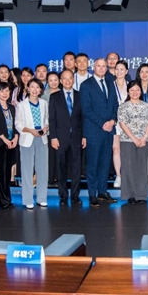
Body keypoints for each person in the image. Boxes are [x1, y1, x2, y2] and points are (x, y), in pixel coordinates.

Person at [80, 58, 119, 207]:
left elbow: (115, 105)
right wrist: (102, 124)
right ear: (93, 67)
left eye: (104, 66)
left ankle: (102, 192)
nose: (102, 68)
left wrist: (113, 120)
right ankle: (92, 194)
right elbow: (86, 109)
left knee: (105, 163)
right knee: (93, 164)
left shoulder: (110, 82)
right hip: (94, 131)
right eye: (99, 66)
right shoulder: (86, 85)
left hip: (109, 130)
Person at [49, 70, 85, 206]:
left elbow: (83, 118)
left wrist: (84, 136)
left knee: (76, 168)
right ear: (61, 81)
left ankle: (75, 195)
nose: (68, 80)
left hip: (77, 137)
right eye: (65, 78)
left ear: (73, 80)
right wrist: (53, 137)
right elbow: (52, 119)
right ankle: (63, 195)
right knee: (61, 167)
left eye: (70, 78)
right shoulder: (54, 97)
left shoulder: (80, 95)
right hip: (60, 137)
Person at [15, 79, 50, 209]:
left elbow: (47, 119)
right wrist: (30, 130)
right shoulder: (21, 105)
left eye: (38, 87)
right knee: (27, 170)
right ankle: (28, 199)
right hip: (27, 138)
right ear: (28, 89)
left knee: (42, 169)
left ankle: (42, 198)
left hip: (42, 138)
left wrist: (46, 128)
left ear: (41, 90)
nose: (35, 90)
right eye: (32, 87)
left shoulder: (44, 103)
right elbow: (18, 124)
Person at [118, 80, 148, 204]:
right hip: (127, 140)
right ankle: (130, 195)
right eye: (132, 90)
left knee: (142, 168)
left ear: (141, 91)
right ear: (128, 92)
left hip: (143, 140)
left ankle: (141, 195)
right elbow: (122, 124)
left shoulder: (147, 106)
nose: (135, 92)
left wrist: (144, 137)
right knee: (128, 168)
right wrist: (134, 139)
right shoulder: (123, 106)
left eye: (137, 90)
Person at [0, 82, 19, 209]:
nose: (5, 93)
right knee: (1, 173)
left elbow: (16, 124)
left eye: (7, 91)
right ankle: (2, 201)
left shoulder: (12, 107)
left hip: (11, 144)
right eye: (2, 91)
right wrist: (5, 139)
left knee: (7, 172)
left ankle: (7, 199)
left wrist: (15, 137)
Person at [112, 60, 129, 188]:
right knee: (116, 149)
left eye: (122, 69)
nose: (119, 72)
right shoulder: (110, 86)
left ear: (126, 71)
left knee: (128, 150)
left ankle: (128, 175)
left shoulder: (131, 86)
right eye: (117, 69)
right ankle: (118, 176)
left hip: (129, 123)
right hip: (115, 122)